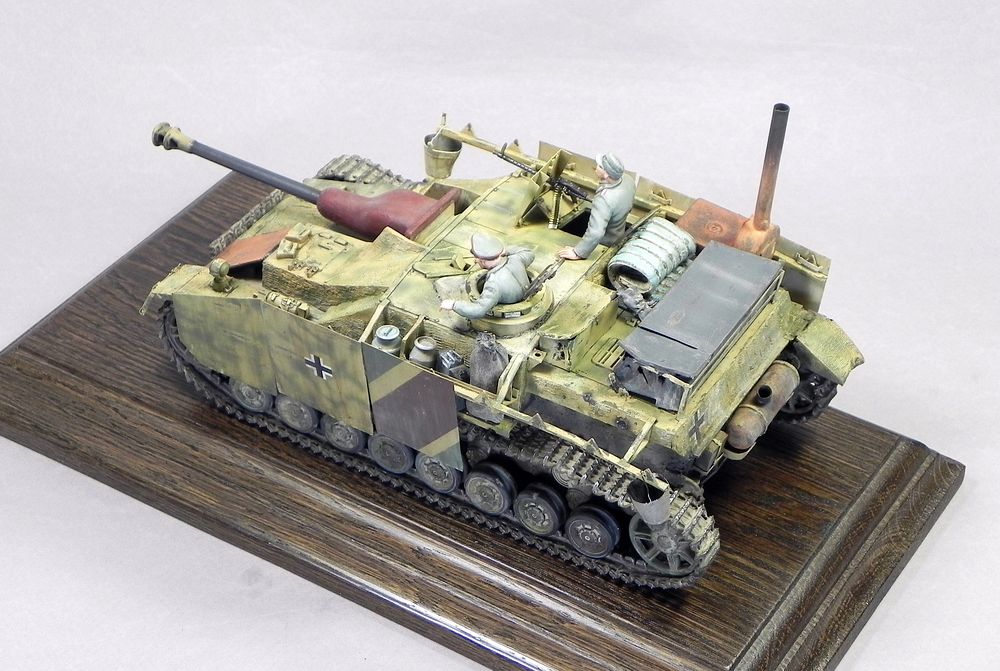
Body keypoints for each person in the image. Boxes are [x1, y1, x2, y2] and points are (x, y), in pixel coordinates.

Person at [558, 152, 636, 260]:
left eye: (600, 166)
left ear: (606, 174)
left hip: (604, 243)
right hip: (619, 232)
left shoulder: (604, 199)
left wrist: (578, 252)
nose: (596, 167)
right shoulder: (628, 180)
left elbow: (596, 233)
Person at [440, 233, 535, 320]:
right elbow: (529, 252)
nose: (475, 261)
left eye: (477, 259)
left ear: (483, 261)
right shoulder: (516, 259)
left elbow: (478, 310)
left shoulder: (493, 283)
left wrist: (454, 305)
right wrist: (504, 251)